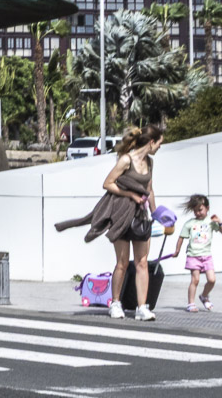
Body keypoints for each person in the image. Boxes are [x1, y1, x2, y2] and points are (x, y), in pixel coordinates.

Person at [55, 125, 164, 320]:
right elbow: (108, 183)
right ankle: (115, 303)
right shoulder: (126, 160)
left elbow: (150, 188)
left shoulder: (150, 162)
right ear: (151, 142)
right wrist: (130, 193)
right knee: (122, 262)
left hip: (140, 216)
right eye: (159, 144)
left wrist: (156, 213)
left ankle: (142, 307)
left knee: (142, 262)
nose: (159, 148)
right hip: (121, 213)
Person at [174, 194, 219, 312]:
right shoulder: (190, 223)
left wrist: (219, 222)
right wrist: (177, 251)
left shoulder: (211, 221)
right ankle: (191, 303)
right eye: (195, 211)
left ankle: (204, 296)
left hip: (207, 256)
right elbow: (181, 237)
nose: (198, 213)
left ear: (207, 208)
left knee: (212, 280)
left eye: (200, 210)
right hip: (193, 256)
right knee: (195, 280)